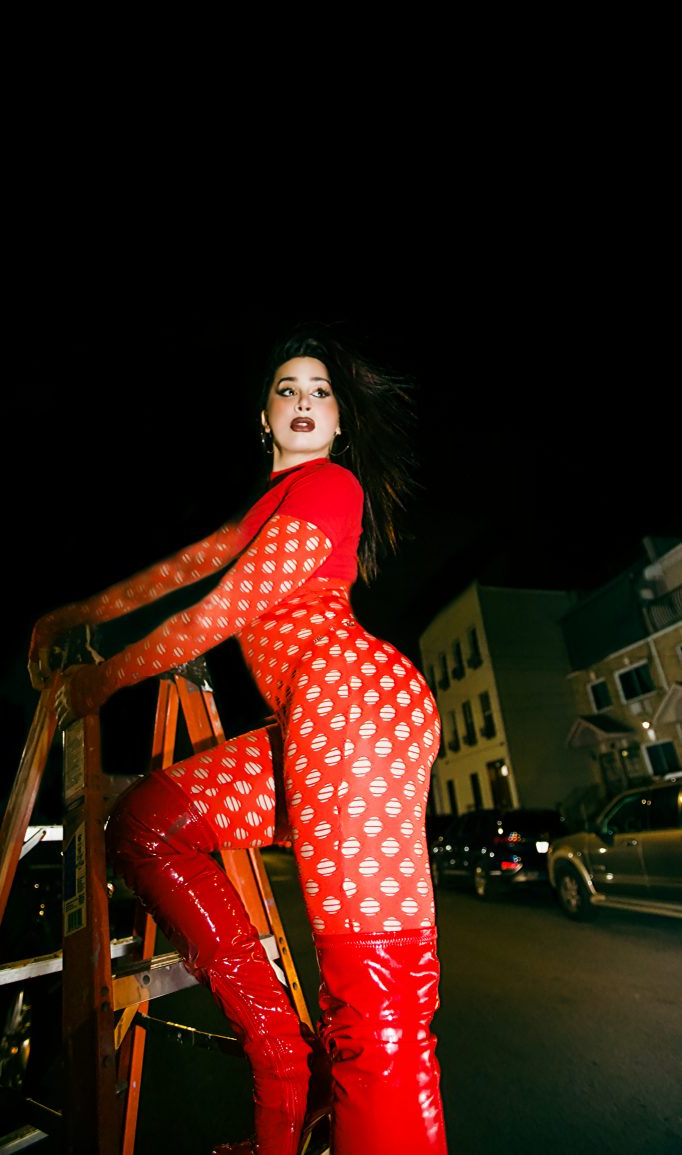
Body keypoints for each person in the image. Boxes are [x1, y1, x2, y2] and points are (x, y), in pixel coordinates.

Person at [28, 325, 448, 1155]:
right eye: (288, 388)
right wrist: (79, 615)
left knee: (376, 1009)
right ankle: (286, 1059)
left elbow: (225, 606)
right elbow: (184, 568)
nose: (304, 401)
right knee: (146, 824)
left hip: (354, 708)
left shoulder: (331, 486)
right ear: (264, 416)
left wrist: (105, 676)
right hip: (307, 725)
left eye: (321, 391)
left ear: (340, 422)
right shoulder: (266, 505)